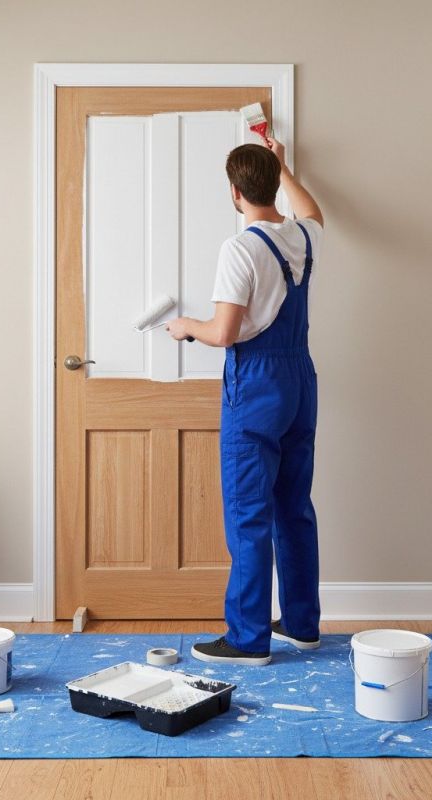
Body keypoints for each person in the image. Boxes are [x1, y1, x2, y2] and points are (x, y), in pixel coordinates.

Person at [165, 137, 324, 665]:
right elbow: (312, 209)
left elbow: (225, 332)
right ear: (274, 182)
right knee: (293, 506)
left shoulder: (241, 248)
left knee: (248, 512)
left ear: (234, 192)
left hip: (256, 386)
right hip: (300, 379)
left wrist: (186, 326)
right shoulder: (302, 236)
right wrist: (282, 164)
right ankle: (301, 625)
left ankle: (248, 638)